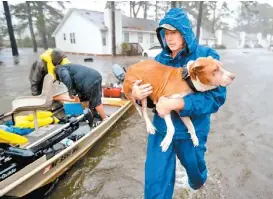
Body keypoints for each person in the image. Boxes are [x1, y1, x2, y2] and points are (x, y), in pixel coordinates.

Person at [131, 8, 227, 198]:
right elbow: (152, 101)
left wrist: (179, 104)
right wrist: (136, 94)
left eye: (174, 32)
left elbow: (216, 98)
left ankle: (198, 178)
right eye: (166, 34)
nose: (170, 38)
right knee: (155, 184)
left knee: (197, 176)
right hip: (161, 130)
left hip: (192, 132)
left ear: (185, 32)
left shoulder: (206, 57)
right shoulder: (158, 61)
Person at [29, 48, 107, 120]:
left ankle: (104, 119)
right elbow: (34, 82)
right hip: (90, 78)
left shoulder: (59, 67)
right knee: (84, 98)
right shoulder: (42, 65)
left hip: (90, 80)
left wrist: (71, 91)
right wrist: (37, 102)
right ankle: (88, 114)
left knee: (95, 101)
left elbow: (66, 76)